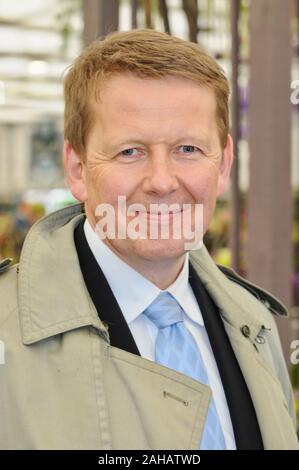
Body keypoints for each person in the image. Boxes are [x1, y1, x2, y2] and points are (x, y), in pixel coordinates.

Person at [0, 29, 298, 450]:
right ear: (77, 167)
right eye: (130, 152)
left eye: (188, 149)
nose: (161, 182)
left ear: (224, 163)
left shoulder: (254, 323)